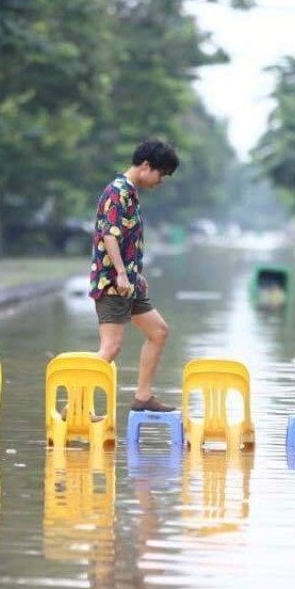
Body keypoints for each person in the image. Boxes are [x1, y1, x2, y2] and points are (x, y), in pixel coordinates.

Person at [89, 138, 179, 412]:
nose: (160, 181)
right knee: (111, 348)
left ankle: (143, 396)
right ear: (145, 166)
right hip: (114, 283)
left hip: (129, 284)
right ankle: (77, 404)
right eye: (160, 174)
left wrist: (135, 274)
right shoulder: (117, 191)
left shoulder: (130, 193)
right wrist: (121, 273)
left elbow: (128, 239)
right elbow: (110, 235)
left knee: (159, 331)